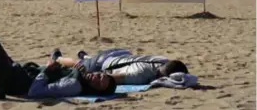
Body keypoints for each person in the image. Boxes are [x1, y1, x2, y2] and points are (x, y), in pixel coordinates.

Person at [0, 26, 116, 100]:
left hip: (12, 81)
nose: (97, 77)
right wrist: (53, 63)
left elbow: (35, 91)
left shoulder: (74, 85)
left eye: (99, 83)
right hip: (17, 72)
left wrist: (46, 71)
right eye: (101, 76)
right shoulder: (79, 75)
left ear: (95, 90)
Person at [51, 48, 189, 85]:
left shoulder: (162, 59)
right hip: (103, 62)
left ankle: (85, 56)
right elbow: (109, 77)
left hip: (119, 53)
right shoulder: (140, 76)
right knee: (79, 65)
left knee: (88, 60)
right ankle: (58, 58)